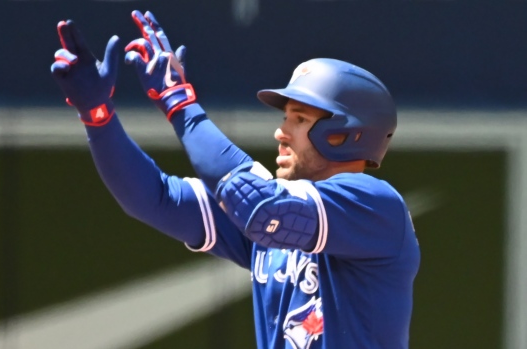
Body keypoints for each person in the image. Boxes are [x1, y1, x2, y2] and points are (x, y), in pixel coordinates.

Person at [51, 10, 420, 349]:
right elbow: (154, 198)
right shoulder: (276, 211)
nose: (282, 132)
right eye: (286, 117)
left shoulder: (374, 204)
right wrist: (98, 117)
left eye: (300, 119)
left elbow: (262, 209)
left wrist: (181, 105)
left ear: (343, 134)